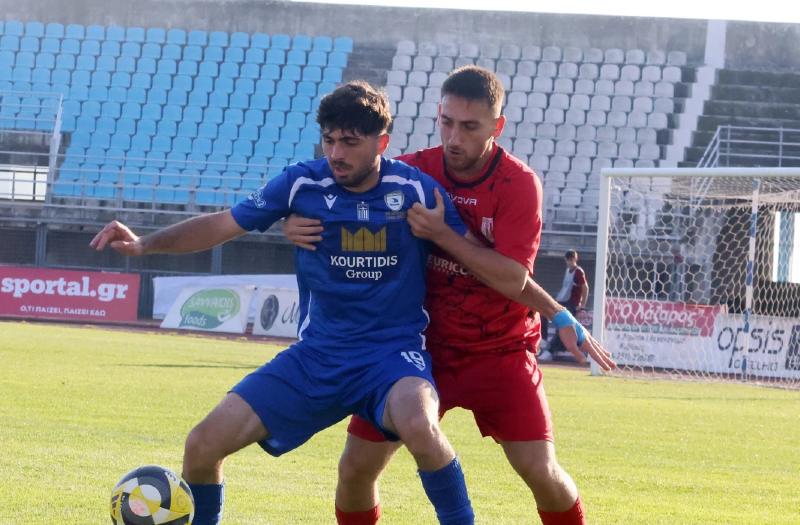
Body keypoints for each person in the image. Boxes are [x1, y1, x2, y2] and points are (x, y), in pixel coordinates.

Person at [88, 80, 523, 525]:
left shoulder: (415, 189)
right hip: (318, 356)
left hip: (391, 356)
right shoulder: (301, 183)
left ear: (381, 143)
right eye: (329, 140)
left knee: (420, 425)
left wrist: (545, 307)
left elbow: (477, 257)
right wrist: (145, 244)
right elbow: (223, 224)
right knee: (201, 445)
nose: (336, 153)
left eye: (350, 142)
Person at [283, 66, 615, 525]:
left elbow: (511, 278)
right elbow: (338, 182)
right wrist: (293, 220)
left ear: (497, 126)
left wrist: (443, 234)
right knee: (355, 468)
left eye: (470, 127)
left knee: (541, 472)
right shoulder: (413, 171)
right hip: (417, 351)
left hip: (500, 350)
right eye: (446, 122)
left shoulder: (518, 184)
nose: (454, 138)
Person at [540, 250, 590, 361]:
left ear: (575, 259)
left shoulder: (578, 272)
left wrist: (582, 304)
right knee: (543, 311)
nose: (570, 262)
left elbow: (585, 287)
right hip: (561, 302)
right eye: (568, 260)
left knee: (563, 328)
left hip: (571, 304)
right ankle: (544, 339)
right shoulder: (568, 271)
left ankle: (550, 352)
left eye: (572, 260)